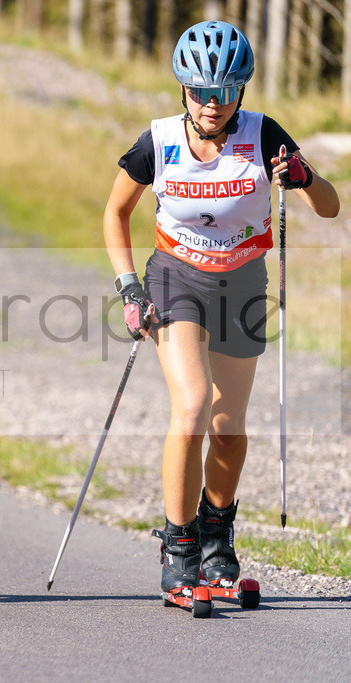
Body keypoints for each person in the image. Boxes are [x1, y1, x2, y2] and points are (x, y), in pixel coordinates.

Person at [103, 20, 339, 597]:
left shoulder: (263, 137)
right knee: (191, 407)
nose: (215, 103)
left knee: (228, 427)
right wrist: (129, 289)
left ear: (242, 89)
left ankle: (216, 539)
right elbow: (115, 215)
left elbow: (329, 207)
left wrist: (304, 178)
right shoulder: (156, 142)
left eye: (228, 90)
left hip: (242, 283)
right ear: (183, 88)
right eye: (203, 91)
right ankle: (178, 546)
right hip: (175, 277)